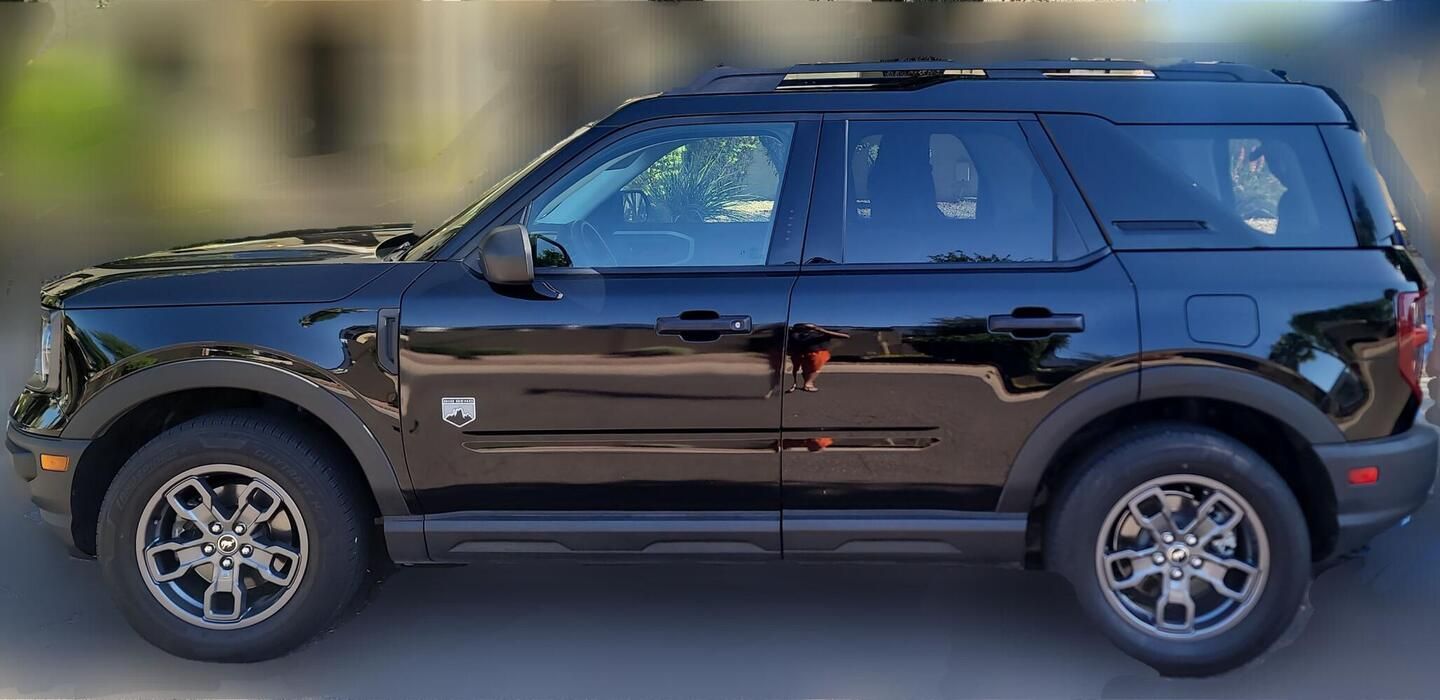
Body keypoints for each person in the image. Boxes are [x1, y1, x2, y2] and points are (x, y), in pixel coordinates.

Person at [786, 323, 850, 393]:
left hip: (810, 354)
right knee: (810, 370)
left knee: (811, 370)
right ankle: (805, 383)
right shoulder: (797, 334)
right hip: (804, 353)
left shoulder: (818, 334)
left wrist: (820, 330)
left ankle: (807, 383)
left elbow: (846, 336)